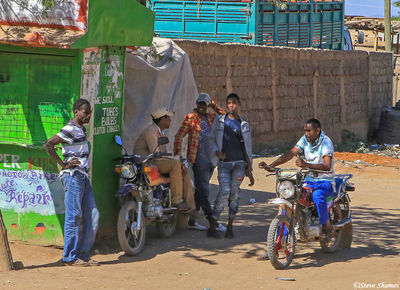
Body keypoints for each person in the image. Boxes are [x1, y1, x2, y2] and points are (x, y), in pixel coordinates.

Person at [43, 98, 99, 267]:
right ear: (76, 111)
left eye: (89, 113)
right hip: (73, 177)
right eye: (85, 112)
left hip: (83, 177)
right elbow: (48, 144)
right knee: (73, 216)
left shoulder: (80, 130)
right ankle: (69, 257)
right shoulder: (70, 129)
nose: (88, 115)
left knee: (94, 215)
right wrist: (63, 165)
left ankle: (82, 254)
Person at [259, 118, 335, 239]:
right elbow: (290, 154)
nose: (306, 133)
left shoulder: (326, 142)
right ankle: (277, 240)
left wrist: (306, 165)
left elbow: (327, 165)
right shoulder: (305, 140)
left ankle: (327, 226)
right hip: (309, 180)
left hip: (324, 181)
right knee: (292, 196)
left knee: (317, 196)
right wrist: (271, 166)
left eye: (309, 131)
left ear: (317, 130)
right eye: (305, 130)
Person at [174, 93, 226, 231]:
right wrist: (178, 155)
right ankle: (213, 222)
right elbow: (179, 136)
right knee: (204, 190)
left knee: (200, 191)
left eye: (205, 104)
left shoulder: (211, 118)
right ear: (196, 104)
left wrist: (213, 105)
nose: (202, 107)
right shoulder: (190, 118)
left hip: (211, 159)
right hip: (197, 159)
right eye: (200, 103)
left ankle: (192, 220)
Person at [208, 93, 254, 238]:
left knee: (234, 194)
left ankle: (229, 226)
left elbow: (247, 148)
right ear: (227, 105)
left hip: (239, 165)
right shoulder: (220, 121)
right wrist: (217, 153)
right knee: (224, 192)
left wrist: (250, 170)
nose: (231, 105)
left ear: (239, 104)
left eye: (234, 102)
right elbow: (211, 140)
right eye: (229, 103)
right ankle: (213, 223)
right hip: (224, 165)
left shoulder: (244, 124)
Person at [134, 108, 195, 212]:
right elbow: (156, 154)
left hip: (156, 162)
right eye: (168, 118)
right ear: (163, 119)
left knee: (183, 171)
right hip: (148, 163)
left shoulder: (159, 133)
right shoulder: (151, 131)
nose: (170, 120)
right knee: (175, 165)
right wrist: (176, 161)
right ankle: (177, 200)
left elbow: (163, 155)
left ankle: (191, 208)